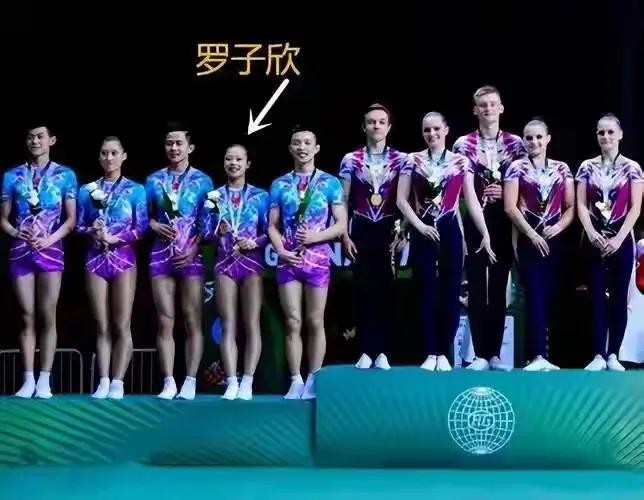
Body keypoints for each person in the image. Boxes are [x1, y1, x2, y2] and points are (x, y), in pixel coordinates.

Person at [397, 112, 495, 371]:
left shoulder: (461, 161)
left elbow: (471, 200)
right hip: (423, 230)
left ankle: (443, 352)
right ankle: (430, 352)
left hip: (450, 229)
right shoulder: (412, 160)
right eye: (427, 130)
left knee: (451, 293)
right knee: (427, 291)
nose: (432, 134)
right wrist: (420, 226)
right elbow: (401, 200)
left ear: (446, 130)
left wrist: (485, 232)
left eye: (436, 129)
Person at [268, 125, 347, 399]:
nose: (302, 147)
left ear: (317, 148)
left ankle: (314, 378)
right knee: (292, 321)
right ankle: (295, 379)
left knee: (315, 320)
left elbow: (341, 224)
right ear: (290, 148)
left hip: (318, 261)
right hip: (288, 260)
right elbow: (272, 226)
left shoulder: (330, 183)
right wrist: (281, 250)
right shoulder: (279, 184)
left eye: (307, 143)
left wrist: (316, 236)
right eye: (297, 143)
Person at [0, 122, 77, 398]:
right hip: (21, 251)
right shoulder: (12, 176)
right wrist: (15, 232)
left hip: (51, 251)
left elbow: (71, 220)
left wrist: (49, 239)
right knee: (27, 315)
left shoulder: (65, 175)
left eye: (40, 137)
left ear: (51, 141)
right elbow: (3, 219)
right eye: (31, 137)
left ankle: (45, 379)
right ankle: (28, 379)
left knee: (47, 314)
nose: (35, 141)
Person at [452, 85, 527, 371]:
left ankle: (494, 354)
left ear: (501, 107)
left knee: (497, 287)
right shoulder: (463, 145)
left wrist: (506, 193)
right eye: (482, 105)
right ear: (475, 110)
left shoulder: (516, 144)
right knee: (476, 287)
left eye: (492, 104)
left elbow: (527, 183)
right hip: (474, 219)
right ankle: (479, 354)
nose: (488, 109)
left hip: (504, 220)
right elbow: (456, 186)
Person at [145, 122, 214, 399]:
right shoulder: (153, 180)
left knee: (192, 319)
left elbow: (207, 223)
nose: (173, 148)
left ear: (190, 147)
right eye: (169, 143)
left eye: (179, 143)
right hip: (161, 256)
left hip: (191, 257)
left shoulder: (203, 181)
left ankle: (190, 380)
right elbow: (143, 218)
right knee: (165, 320)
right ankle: (168, 381)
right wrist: (154, 225)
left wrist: (194, 248)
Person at [77, 136, 148, 398]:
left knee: (121, 324)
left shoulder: (136, 190)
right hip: (95, 260)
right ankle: (104, 380)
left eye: (114, 153)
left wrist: (116, 238)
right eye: (104, 153)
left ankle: (118, 381)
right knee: (102, 325)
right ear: (99, 156)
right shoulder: (87, 190)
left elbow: (141, 228)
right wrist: (91, 231)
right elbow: (78, 225)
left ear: (123, 156)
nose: (109, 158)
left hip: (124, 260)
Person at [339, 103, 408, 370]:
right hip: (361, 229)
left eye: (381, 122)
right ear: (363, 126)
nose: (376, 126)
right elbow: (343, 200)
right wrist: (344, 235)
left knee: (386, 291)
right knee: (363, 289)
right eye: (371, 122)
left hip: (389, 231)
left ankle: (383, 351)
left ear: (389, 127)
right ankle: (366, 350)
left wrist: (403, 230)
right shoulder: (351, 160)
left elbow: (406, 200)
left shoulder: (401, 160)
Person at [504, 119, 575, 371]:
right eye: (528, 137)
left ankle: (547, 355)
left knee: (548, 295)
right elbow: (510, 207)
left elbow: (570, 207)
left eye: (538, 137)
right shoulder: (516, 168)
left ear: (548, 139)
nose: (534, 142)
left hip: (554, 241)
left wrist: (558, 227)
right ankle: (536, 355)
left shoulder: (562, 168)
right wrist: (532, 235)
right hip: (528, 240)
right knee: (533, 294)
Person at [201, 144, 269, 400]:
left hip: (252, 264)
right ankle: (231, 381)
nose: (234, 163)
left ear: (247, 164)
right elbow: (204, 233)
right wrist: (215, 231)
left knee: (252, 323)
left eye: (239, 159)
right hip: (225, 264)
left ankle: (247, 381)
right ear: (224, 163)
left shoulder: (261, 196)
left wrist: (255, 242)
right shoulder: (213, 197)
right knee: (227, 323)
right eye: (229, 159)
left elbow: (269, 232)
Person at [576, 114, 643, 371]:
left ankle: (613, 353)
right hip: (594, 240)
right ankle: (597, 354)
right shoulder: (587, 167)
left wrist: (618, 238)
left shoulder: (632, 168)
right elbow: (581, 204)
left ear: (620, 135)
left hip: (621, 241)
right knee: (596, 298)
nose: (605, 136)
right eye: (601, 132)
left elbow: (635, 207)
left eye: (610, 132)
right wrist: (592, 233)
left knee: (618, 299)